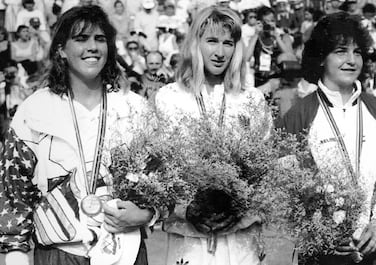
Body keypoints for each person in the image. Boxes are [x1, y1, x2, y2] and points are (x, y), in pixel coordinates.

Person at [0, 5, 157, 265]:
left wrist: (146, 214)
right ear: (61, 49)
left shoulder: (134, 107)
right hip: (58, 253)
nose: (92, 47)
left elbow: (161, 182)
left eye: (100, 39)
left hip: (125, 251)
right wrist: (16, 255)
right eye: (81, 39)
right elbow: (14, 193)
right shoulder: (34, 110)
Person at [279, 11, 376, 265]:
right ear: (321, 57)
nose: (351, 60)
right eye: (341, 51)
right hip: (322, 251)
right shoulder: (298, 115)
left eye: (358, 52)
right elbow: (284, 186)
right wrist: (318, 225)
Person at [155, 6, 273, 265]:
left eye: (228, 43)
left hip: (240, 239)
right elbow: (158, 170)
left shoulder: (251, 98)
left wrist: (243, 209)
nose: (220, 53)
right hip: (189, 239)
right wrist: (186, 208)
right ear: (195, 43)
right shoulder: (169, 98)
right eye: (211, 41)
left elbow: (266, 170)